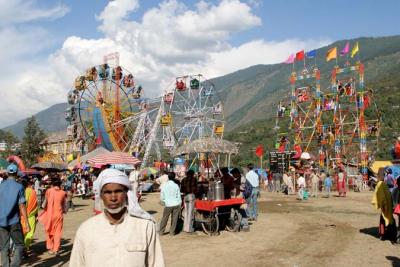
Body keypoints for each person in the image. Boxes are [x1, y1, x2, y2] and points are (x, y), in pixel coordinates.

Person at [69, 168, 164, 267]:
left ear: (126, 194)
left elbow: (157, 263)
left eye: (118, 191)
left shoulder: (145, 227)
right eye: (108, 192)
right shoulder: (86, 229)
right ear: (101, 195)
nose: (113, 198)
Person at [0, 164, 30, 267]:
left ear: (7, 173)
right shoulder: (19, 187)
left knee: (4, 247)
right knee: (20, 245)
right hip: (14, 221)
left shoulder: (1, 185)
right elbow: (22, 205)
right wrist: (27, 222)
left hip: (1, 221)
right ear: (17, 173)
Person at [38, 177, 67, 255]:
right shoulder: (63, 193)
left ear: (52, 184)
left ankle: (51, 248)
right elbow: (64, 205)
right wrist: (64, 210)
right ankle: (56, 249)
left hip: (49, 215)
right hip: (59, 215)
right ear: (60, 184)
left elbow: (45, 202)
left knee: (49, 231)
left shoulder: (49, 191)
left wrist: (43, 207)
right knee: (58, 232)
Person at [371, 173, 397, 242]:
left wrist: (383, 205)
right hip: (389, 203)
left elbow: (382, 197)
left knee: (385, 219)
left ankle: (385, 235)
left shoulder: (380, 184)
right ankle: (390, 235)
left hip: (385, 205)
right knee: (389, 218)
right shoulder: (384, 184)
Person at [20, 177, 38, 254]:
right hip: (31, 215)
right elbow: (35, 203)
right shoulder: (32, 191)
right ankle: (25, 247)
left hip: (21, 215)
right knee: (30, 233)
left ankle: (22, 247)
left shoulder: (20, 192)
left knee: (22, 233)